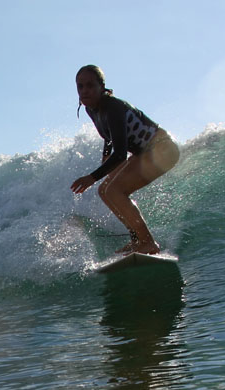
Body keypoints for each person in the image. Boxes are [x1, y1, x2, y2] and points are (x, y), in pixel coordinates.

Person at [70, 65, 179, 254]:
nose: (84, 90)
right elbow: (109, 136)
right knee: (105, 190)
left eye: (90, 85)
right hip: (145, 154)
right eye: (80, 86)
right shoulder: (92, 109)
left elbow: (120, 154)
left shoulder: (113, 107)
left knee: (114, 190)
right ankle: (137, 239)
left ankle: (148, 243)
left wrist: (91, 177)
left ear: (101, 86)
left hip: (162, 149)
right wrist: (105, 160)